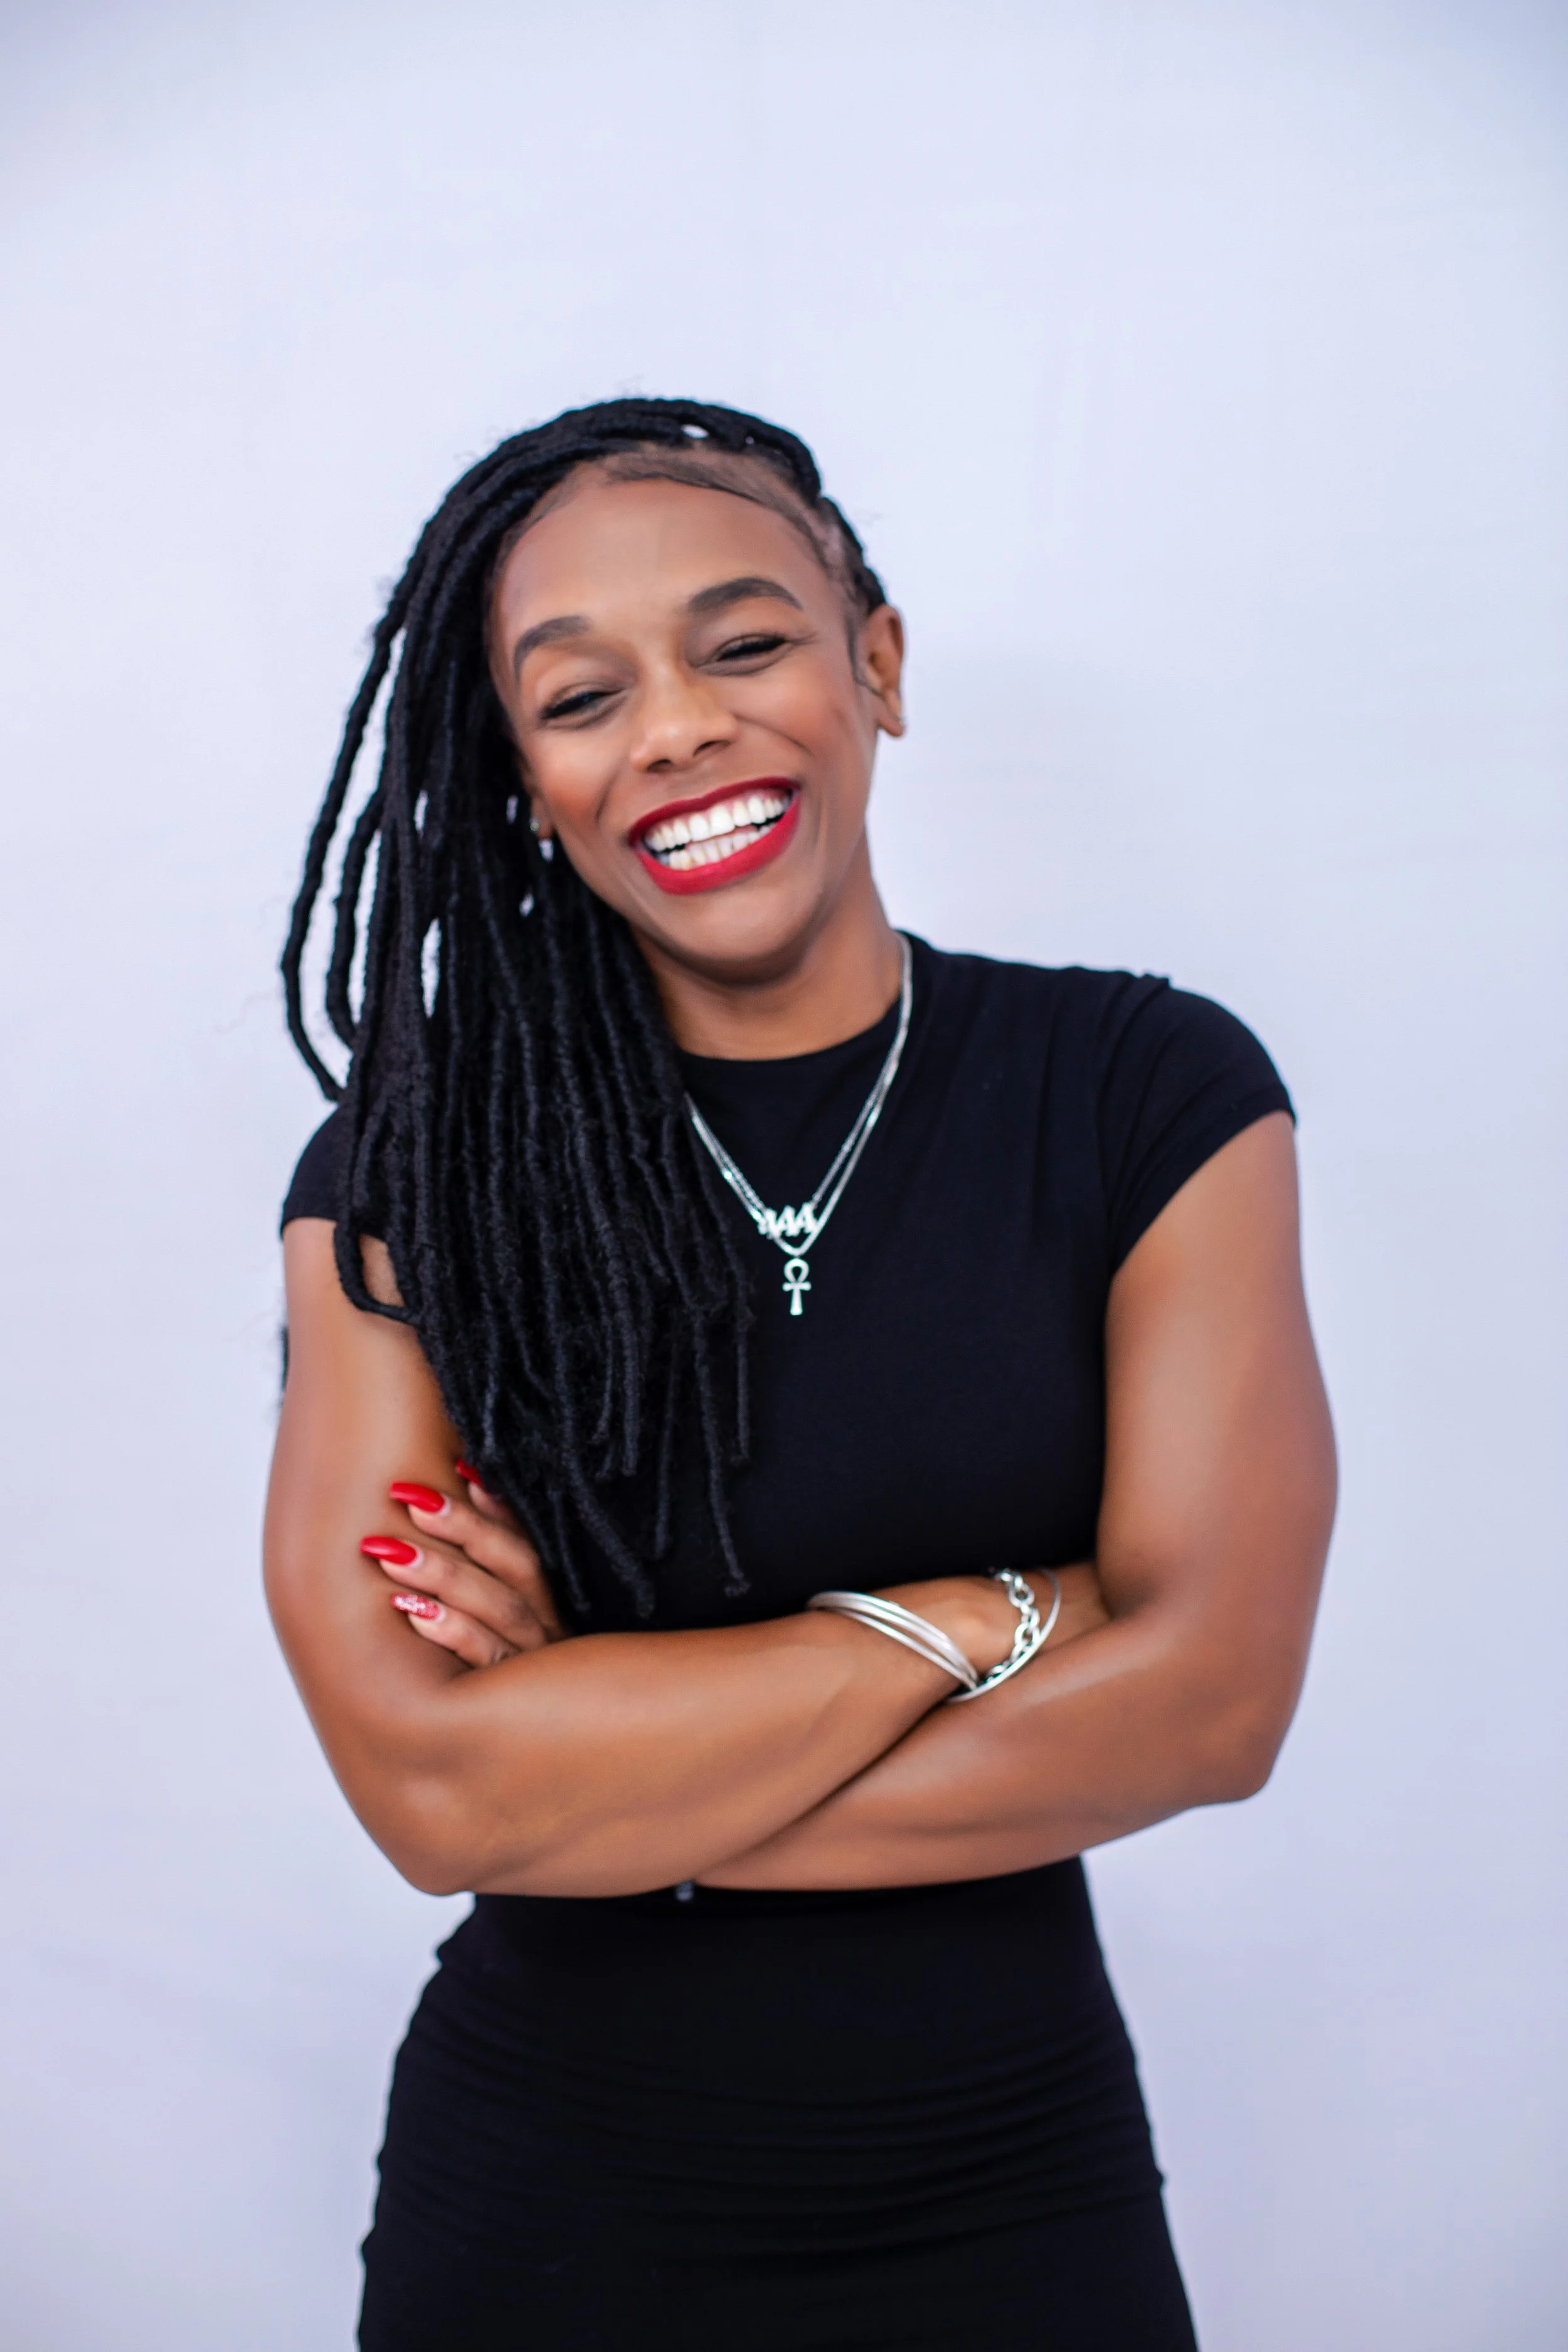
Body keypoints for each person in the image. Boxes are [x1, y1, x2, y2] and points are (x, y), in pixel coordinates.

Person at [266, 397, 1336, 2351]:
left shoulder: (1143, 1095)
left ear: (877, 667)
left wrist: (595, 1780)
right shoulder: (412, 1178)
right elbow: (431, 1794)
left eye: (743, 643)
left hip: (1013, 2189)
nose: (676, 726)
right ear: (521, 777)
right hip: (545, 2210)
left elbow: (1212, 1702)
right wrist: (987, 1616)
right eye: (578, 695)